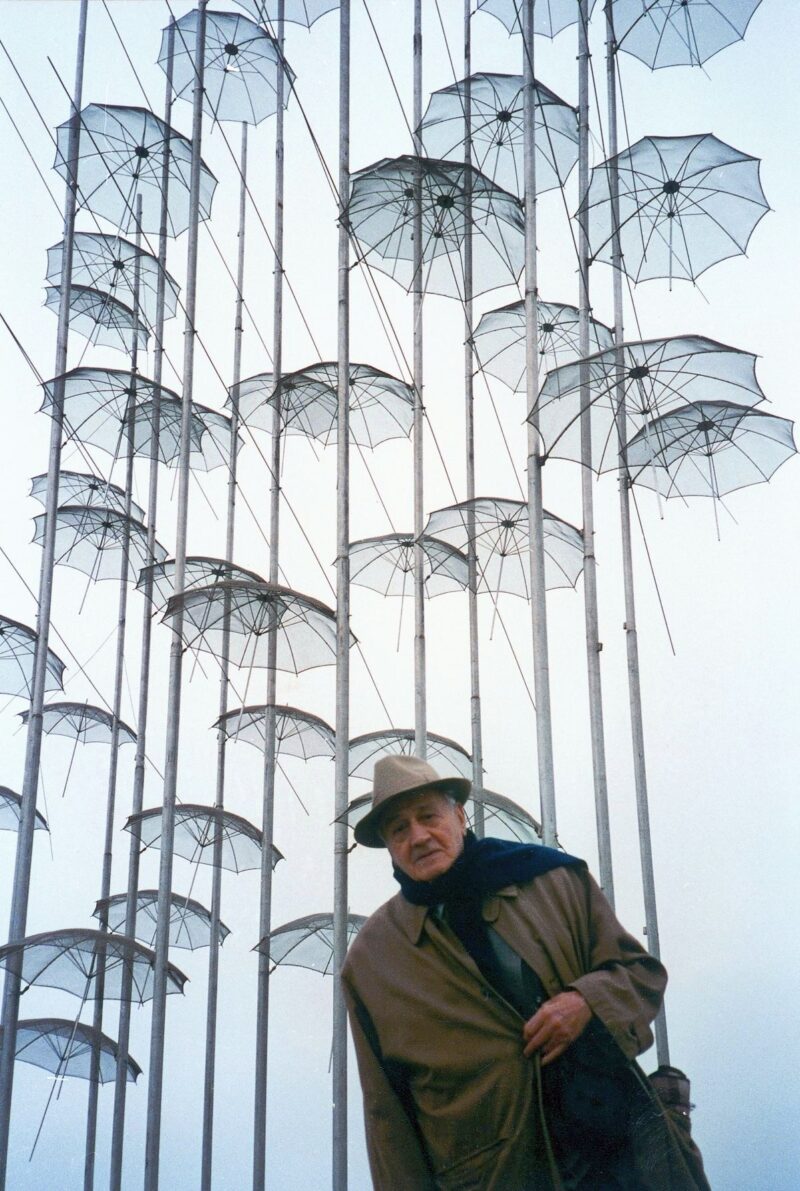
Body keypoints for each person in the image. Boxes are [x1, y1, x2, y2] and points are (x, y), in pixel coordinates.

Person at [342, 755, 710, 1190]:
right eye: (398, 829)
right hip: (496, 1176)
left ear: (459, 816)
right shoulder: (372, 961)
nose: (418, 837)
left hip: (617, 1157)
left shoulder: (554, 879)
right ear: (387, 844)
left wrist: (586, 1001)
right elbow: (386, 1113)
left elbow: (641, 974)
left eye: (428, 817)